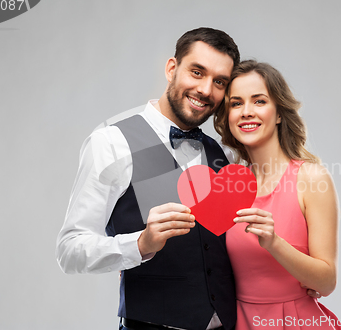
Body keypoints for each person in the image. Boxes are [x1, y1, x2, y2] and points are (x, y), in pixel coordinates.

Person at [56, 28, 241, 330]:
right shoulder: (111, 143)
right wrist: (140, 244)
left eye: (219, 81)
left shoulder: (223, 154)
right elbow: (69, 250)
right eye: (197, 72)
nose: (206, 90)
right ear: (172, 69)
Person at [214, 60, 341, 329]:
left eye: (259, 101)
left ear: (280, 113)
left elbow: (327, 282)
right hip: (237, 321)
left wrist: (275, 243)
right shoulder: (227, 184)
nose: (246, 112)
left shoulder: (311, 178)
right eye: (236, 104)